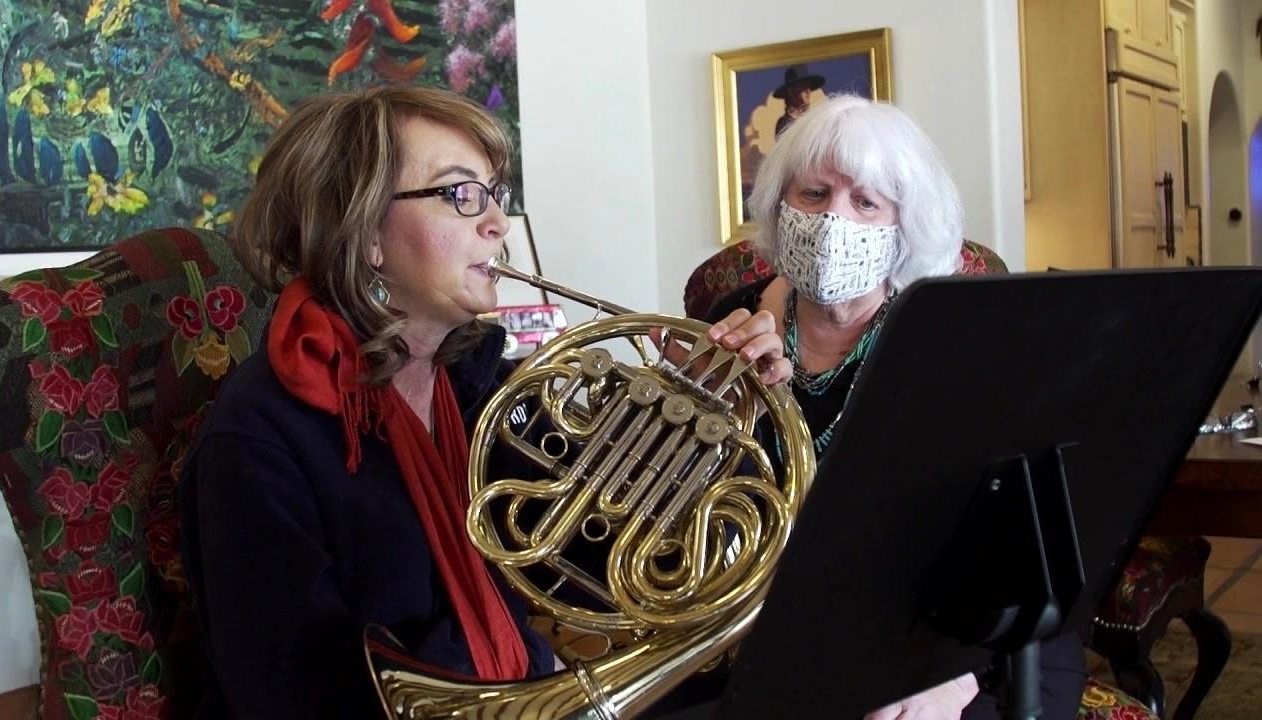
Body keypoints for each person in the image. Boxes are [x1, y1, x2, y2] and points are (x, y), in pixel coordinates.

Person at [178, 85, 792, 717]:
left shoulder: (488, 391)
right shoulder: (261, 434)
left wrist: (705, 415)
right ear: (363, 232)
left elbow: (612, 565)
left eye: (495, 194)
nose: (498, 222)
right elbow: (293, 691)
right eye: (459, 194)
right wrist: (521, 670)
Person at [700, 94, 1089, 719]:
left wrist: (950, 678)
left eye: (866, 203)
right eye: (814, 194)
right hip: (776, 632)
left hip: (961, 629)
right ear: (779, 206)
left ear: (903, 227)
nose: (834, 218)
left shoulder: (956, 346)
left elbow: (1016, 540)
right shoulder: (728, 327)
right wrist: (700, 409)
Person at [772, 64, 826, 140]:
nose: (808, 91)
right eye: (803, 87)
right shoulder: (783, 124)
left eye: (808, 87)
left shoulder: (814, 119)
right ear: (791, 92)